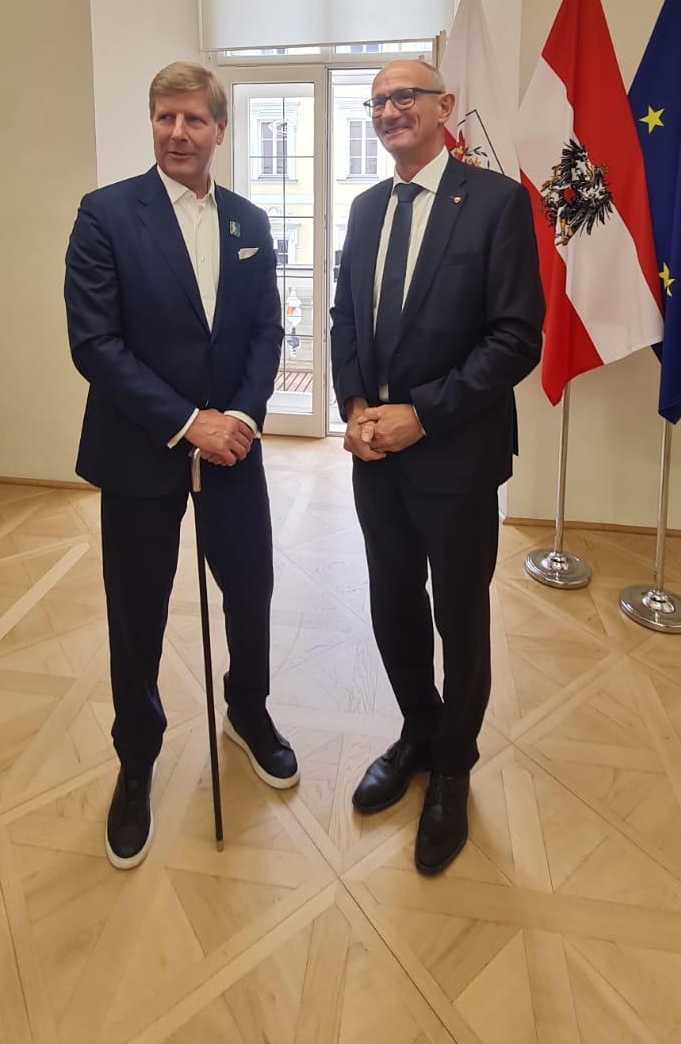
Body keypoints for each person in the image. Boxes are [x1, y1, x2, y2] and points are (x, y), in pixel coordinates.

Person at [65, 62, 298, 871]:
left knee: (252, 587)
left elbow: (267, 331)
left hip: (232, 446)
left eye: (194, 118)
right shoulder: (105, 215)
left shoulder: (249, 220)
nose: (177, 132)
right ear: (152, 122)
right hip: (141, 450)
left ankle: (248, 711)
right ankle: (137, 758)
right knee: (135, 610)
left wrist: (240, 419)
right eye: (164, 116)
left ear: (220, 129)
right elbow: (95, 343)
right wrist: (185, 423)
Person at [331, 60, 544, 875]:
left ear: (444, 106)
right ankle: (417, 731)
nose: (389, 111)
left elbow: (515, 338)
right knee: (392, 601)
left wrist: (423, 413)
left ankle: (454, 764)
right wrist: (356, 407)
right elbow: (345, 317)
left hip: (456, 455)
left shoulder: (495, 202)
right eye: (378, 102)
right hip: (375, 454)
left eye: (404, 97)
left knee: (459, 613)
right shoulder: (365, 208)